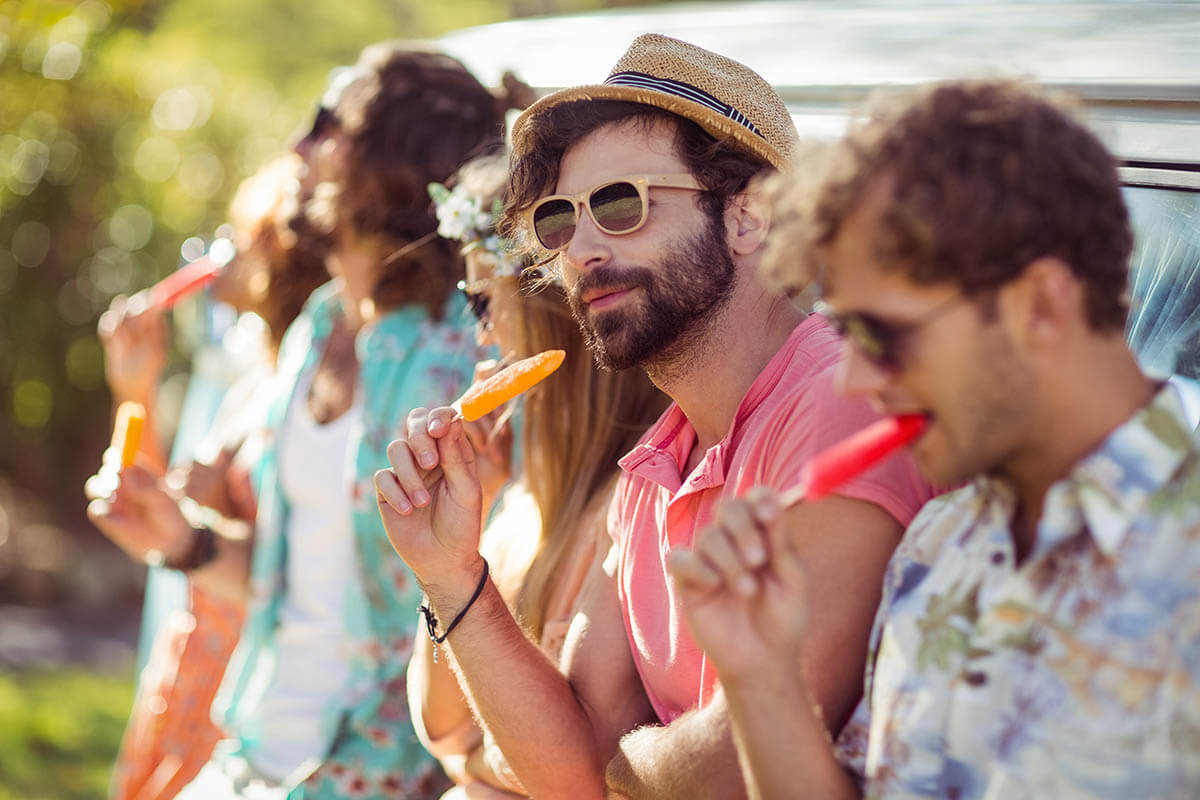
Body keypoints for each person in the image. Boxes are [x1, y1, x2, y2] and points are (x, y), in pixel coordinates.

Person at [375, 34, 933, 799]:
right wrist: (450, 573)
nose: (581, 249)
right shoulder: (651, 470)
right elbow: (571, 776)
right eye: (559, 221)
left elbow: (744, 758)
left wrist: (618, 771)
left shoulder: (841, 400)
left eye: (620, 204)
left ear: (750, 217)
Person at [671, 80, 1200, 799]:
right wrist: (763, 680)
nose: (853, 379)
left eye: (881, 334)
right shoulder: (938, 540)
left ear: (1040, 303)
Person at [88, 43, 525, 800]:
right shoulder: (318, 327)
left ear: (388, 160)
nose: (298, 146)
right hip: (256, 746)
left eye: (326, 124)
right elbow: (298, 581)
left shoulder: (468, 358)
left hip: (378, 772)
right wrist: (185, 540)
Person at [408, 154, 669, 798]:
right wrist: (447, 559)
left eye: (481, 302)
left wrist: (477, 764)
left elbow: (576, 777)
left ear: (554, 306)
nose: (482, 338)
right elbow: (442, 728)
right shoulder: (518, 503)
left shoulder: (633, 505)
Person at [105, 153, 330, 800]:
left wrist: (212, 511)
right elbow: (157, 513)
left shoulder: (304, 394)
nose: (219, 251)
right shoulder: (253, 382)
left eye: (239, 236)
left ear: (280, 256)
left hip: (242, 681)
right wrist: (136, 387)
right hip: (195, 655)